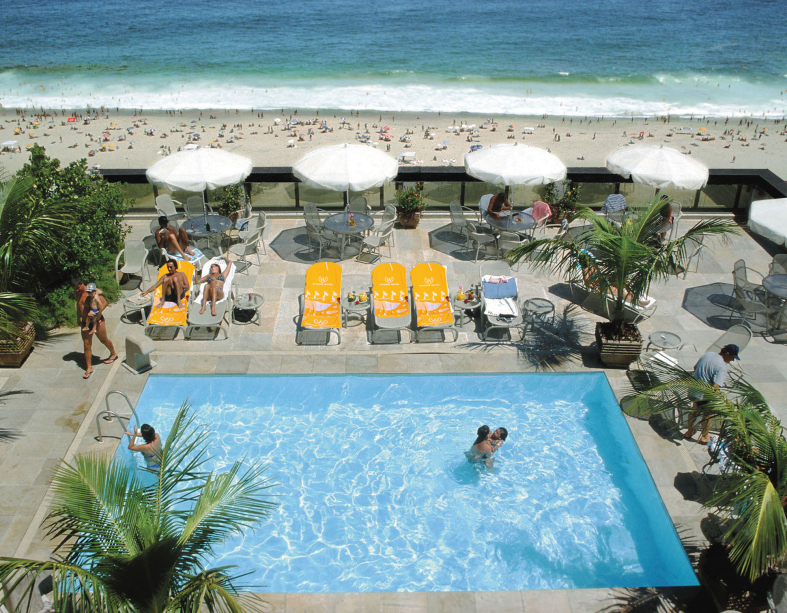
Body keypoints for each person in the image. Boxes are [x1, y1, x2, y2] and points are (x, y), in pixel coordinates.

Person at [684, 344, 739, 444]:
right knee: (707, 415)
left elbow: (695, 367)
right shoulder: (721, 367)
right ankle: (704, 436)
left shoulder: (708, 354)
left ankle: (689, 431)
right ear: (727, 354)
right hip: (703, 394)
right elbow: (715, 387)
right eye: (732, 357)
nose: (732, 360)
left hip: (693, 388)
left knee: (694, 411)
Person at [74, 280, 118, 379]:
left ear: (81, 283)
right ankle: (89, 367)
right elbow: (78, 305)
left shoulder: (93, 292)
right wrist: (78, 318)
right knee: (86, 344)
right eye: (75, 289)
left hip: (96, 320)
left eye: (78, 287)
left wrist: (96, 313)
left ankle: (113, 354)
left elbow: (104, 303)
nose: (77, 290)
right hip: (85, 322)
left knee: (103, 340)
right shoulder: (77, 294)